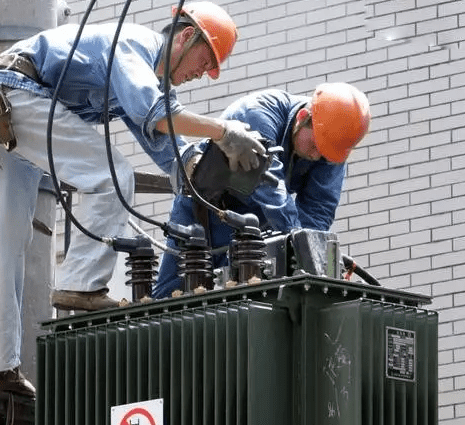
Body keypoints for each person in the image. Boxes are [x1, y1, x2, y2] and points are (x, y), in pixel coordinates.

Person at [0, 2, 266, 396]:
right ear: (186, 35)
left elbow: (157, 134)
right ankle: (80, 284)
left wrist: (194, 167)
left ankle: (0, 369)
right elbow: (157, 113)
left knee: (4, 244)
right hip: (16, 94)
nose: (201, 74)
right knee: (112, 177)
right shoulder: (134, 42)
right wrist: (222, 130)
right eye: (204, 60)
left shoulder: (136, 72)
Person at [153, 83, 371, 299]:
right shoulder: (257, 114)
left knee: (239, 304)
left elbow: (318, 211)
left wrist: (305, 261)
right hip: (201, 212)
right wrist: (297, 242)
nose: (317, 156)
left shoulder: (331, 147)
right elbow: (270, 188)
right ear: (303, 116)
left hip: (252, 231)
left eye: (325, 154)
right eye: (315, 147)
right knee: (172, 297)